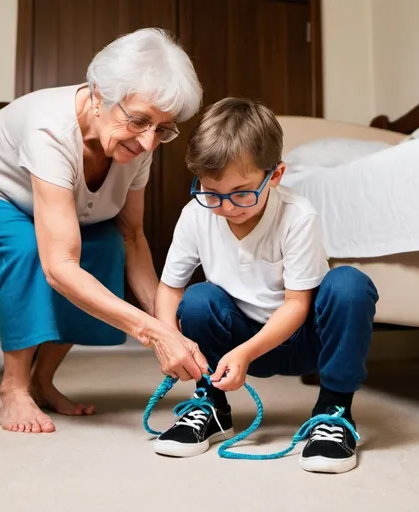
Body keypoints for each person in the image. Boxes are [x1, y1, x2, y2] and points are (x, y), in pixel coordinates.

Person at [0, 28, 209, 434]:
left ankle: (42, 379)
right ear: (97, 96)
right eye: (140, 120)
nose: (148, 142)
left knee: (109, 245)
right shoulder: (50, 130)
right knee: (27, 247)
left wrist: (169, 323)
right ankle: (14, 390)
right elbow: (59, 266)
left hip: (52, 205)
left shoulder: (140, 144)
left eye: (163, 128)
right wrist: (152, 333)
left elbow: (132, 236)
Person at [153, 97, 379, 474]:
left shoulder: (298, 217)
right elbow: (169, 289)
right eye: (212, 192)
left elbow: (296, 305)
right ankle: (211, 406)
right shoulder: (195, 216)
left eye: (241, 192)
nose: (226, 206)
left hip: (303, 338)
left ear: (274, 175)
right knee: (197, 299)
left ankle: (333, 412)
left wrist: (246, 354)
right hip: (235, 339)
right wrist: (168, 340)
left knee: (349, 285)